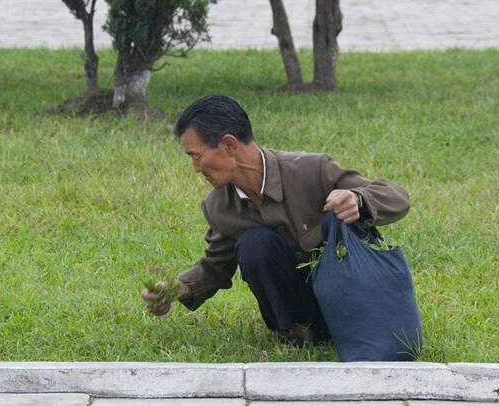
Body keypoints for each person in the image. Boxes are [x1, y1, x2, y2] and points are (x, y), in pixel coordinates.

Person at [141, 95, 410, 346]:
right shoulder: (218, 206)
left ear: (229, 144)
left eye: (196, 156)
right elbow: (215, 266)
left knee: (334, 220)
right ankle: (298, 331)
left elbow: (396, 197)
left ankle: (347, 324)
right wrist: (179, 289)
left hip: (353, 305)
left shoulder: (312, 169)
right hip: (299, 313)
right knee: (254, 244)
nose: (196, 168)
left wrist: (358, 200)